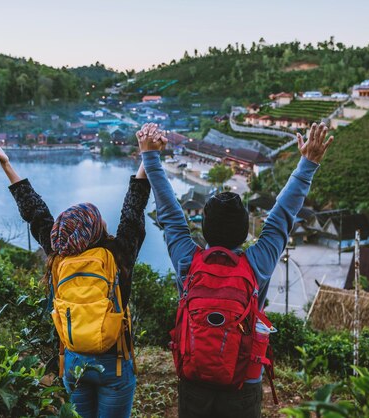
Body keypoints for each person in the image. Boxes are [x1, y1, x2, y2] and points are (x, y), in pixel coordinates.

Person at [136, 122, 333, 418]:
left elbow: (170, 213)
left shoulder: (188, 260)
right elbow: (282, 215)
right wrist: (308, 163)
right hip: (243, 379)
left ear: (204, 228)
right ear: (244, 232)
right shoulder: (257, 263)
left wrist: (150, 156)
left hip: (194, 375)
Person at [0, 130, 154, 418]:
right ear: (96, 229)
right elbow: (133, 208)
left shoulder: (58, 254)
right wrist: (147, 156)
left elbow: (35, 213)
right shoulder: (117, 255)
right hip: (115, 363)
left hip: (73, 362)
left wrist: (7, 165)